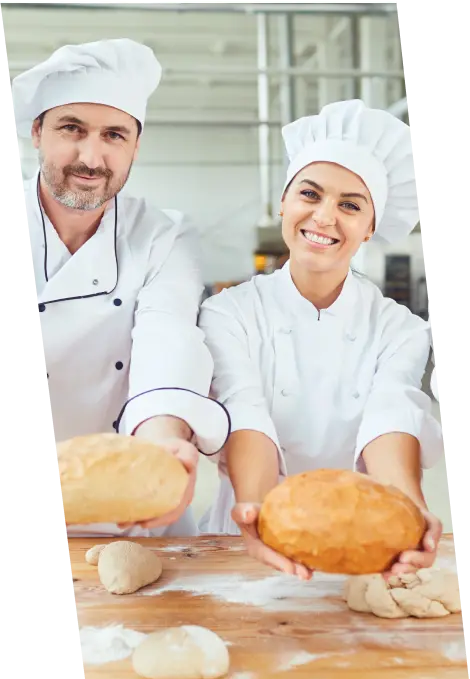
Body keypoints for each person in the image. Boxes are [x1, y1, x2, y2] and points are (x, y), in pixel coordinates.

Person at [198, 99, 445, 579]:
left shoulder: (400, 328)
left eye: (350, 205)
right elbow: (244, 408)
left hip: (363, 546)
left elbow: (391, 416)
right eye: (310, 194)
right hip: (243, 541)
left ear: (371, 226)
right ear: (284, 203)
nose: (325, 216)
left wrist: (410, 509)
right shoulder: (228, 312)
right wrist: (257, 509)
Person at [13, 38, 230, 538]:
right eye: (73, 129)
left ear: (136, 144)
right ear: (37, 133)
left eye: (114, 134)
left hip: (134, 509)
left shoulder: (162, 235)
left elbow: (169, 338)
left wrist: (163, 444)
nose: (92, 157)